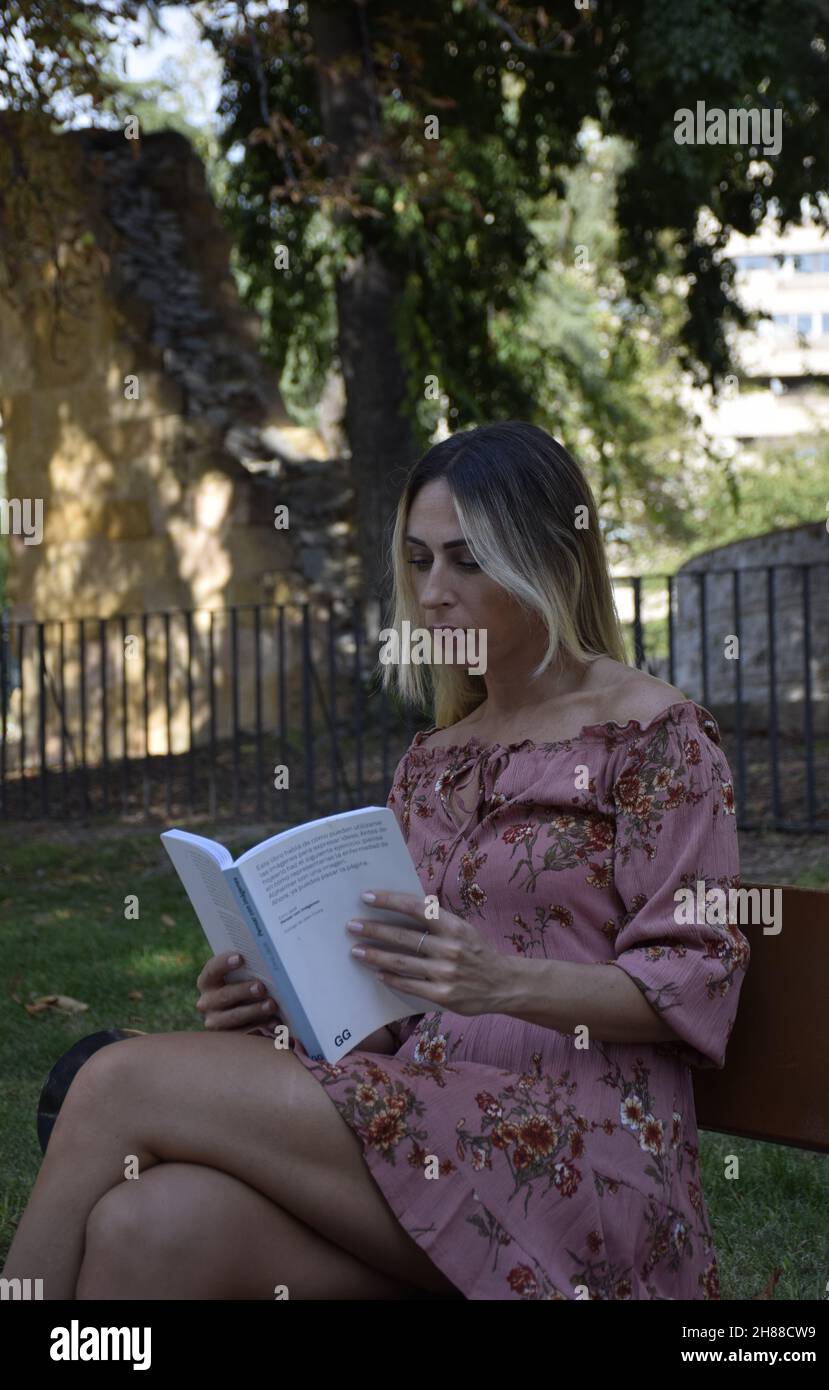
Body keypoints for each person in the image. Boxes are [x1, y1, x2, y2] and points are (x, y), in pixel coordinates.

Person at [3, 419, 749, 1300]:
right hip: (423, 1127)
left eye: (468, 561)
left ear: (549, 560)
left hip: (579, 1157)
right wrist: (275, 1005)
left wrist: (499, 981)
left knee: (112, 1082)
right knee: (148, 1228)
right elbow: (389, 1015)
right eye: (419, 559)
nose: (433, 592)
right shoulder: (434, 759)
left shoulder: (657, 735)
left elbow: (695, 981)